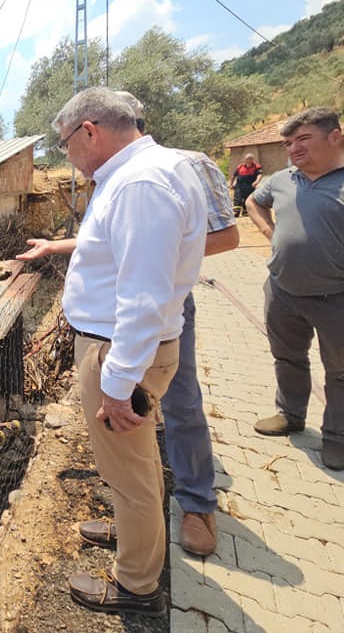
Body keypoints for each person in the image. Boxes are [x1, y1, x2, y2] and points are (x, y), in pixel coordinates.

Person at [20, 92, 238, 559]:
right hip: (123, 344)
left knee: (129, 471)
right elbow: (119, 252)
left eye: (65, 144)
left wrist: (117, 383)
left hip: (118, 348)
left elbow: (143, 298)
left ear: (90, 131)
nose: (68, 155)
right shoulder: (146, 174)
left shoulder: (142, 184)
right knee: (135, 462)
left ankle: (136, 582)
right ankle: (137, 529)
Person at [245, 107, 344, 470]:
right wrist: (270, 234)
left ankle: (337, 438)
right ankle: (290, 414)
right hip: (283, 291)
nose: (293, 149)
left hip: (336, 297)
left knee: (340, 372)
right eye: (288, 143)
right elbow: (253, 201)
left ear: (336, 136)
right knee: (287, 358)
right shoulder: (283, 178)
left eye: (303, 139)